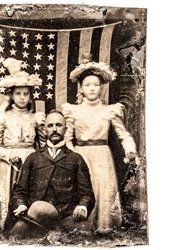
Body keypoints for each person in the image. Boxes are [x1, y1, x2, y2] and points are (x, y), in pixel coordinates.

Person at [61, 58, 139, 234]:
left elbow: (123, 134)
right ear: (80, 88)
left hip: (102, 155)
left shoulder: (108, 110)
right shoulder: (73, 110)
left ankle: (103, 226)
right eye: (87, 85)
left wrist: (130, 149)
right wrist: (74, 155)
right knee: (83, 188)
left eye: (95, 85)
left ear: (101, 87)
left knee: (103, 189)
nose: (91, 88)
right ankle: (82, 228)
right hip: (81, 155)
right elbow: (67, 138)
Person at [7, 110, 95, 238]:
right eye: (50, 125)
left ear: (65, 129)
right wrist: (21, 205)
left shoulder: (76, 159)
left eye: (58, 125)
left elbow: (87, 194)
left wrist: (82, 207)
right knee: (15, 237)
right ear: (44, 129)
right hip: (35, 219)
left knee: (86, 237)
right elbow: (19, 192)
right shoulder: (33, 158)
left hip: (66, 219)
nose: (54, 129)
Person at [0, 58, 45, 230]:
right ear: (11, 95)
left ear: (30, 96)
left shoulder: (36, 117)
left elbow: (42, 145)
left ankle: (27, 226)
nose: (22, 97)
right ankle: (4, 227)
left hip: (31, 162)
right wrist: (7, 155)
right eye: (18, 93)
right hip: (9, 164)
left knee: (29, 194)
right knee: (8, 196)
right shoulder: (3, 117)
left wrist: (38, 161)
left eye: (26, 94)